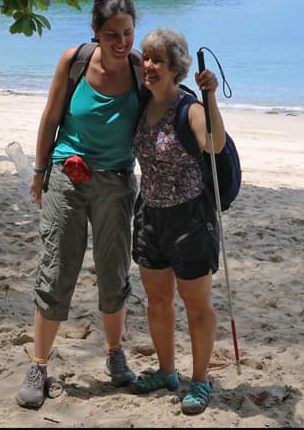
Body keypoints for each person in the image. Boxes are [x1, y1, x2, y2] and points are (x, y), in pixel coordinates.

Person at [15, 0, 141, 410]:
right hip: (67, 179)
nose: (121, 43)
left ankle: (114, 354)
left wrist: (205, 91)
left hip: (117, 184)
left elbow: (171, 109)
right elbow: (51, 116)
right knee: (57, 270)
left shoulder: (142, 70)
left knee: (113, 273)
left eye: (127, 33)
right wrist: (38, 171)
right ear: (95, 32)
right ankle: (38, 364)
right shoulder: (74, 62)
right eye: (112, 35)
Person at [129, 28, 225, 415]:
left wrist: (212, 95)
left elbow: (214, 144)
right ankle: (167, 371)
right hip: (149, 214)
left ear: (176, 69)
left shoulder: (191, 108)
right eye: (147, 58)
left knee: (196, 305)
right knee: (157, 301)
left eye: (158, 61)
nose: (149, 66)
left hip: (190, 218)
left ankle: (200, 381)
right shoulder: (141, 102)